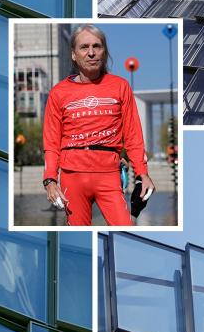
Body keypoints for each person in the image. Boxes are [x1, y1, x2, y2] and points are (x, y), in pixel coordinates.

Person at [42, 25, 155, 226]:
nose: (91, 52)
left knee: (125, 229)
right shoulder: (58, 93)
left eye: (97, 46)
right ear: (74, 55)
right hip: (72, 176)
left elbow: (133, 136)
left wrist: (142, 174)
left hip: (109, 175)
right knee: (79, 241)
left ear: (104, 52)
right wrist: (50, 180)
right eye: (84, 47)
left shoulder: (120, 86)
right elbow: (51, 143)